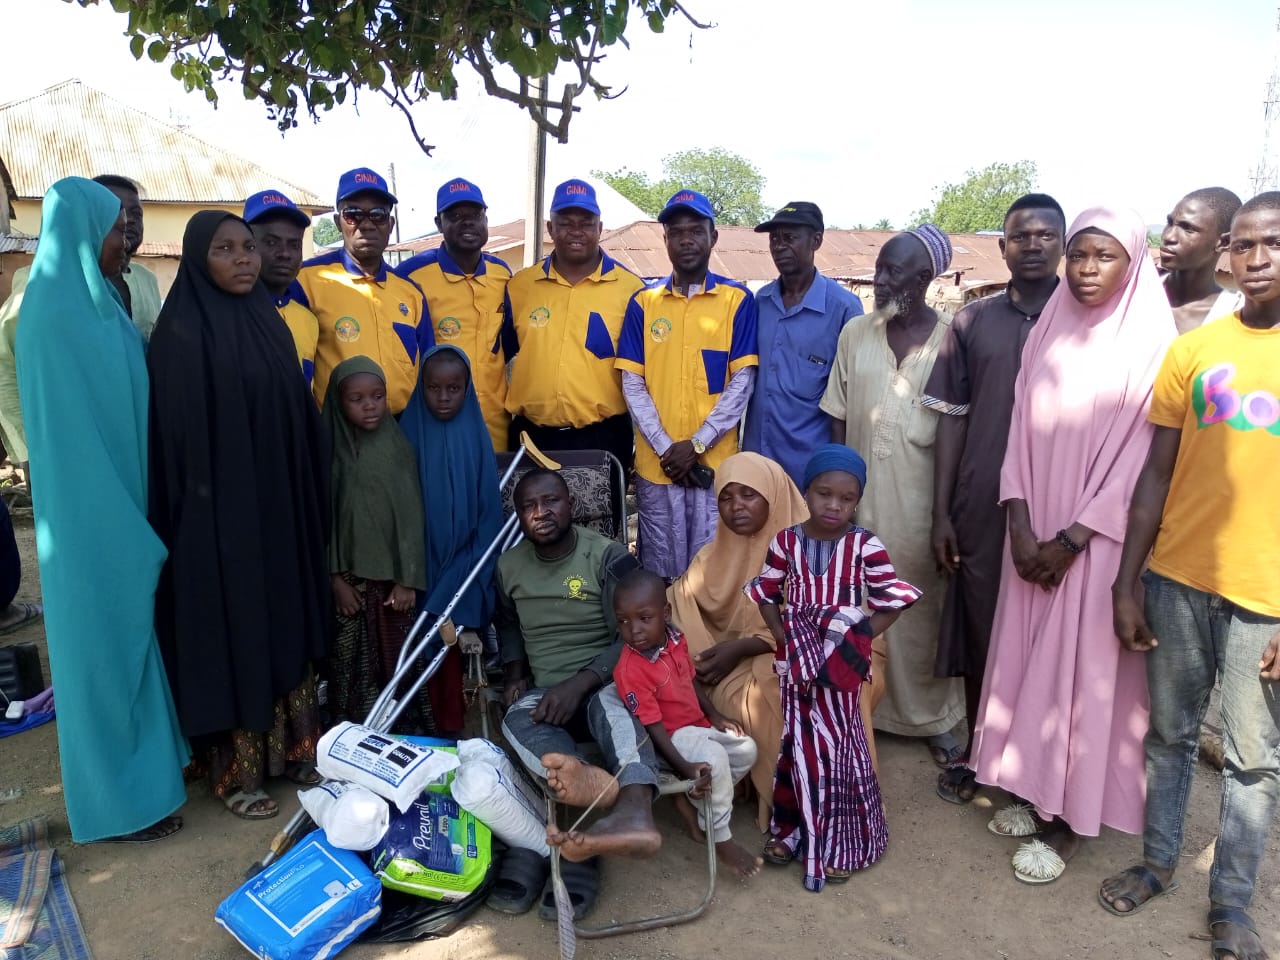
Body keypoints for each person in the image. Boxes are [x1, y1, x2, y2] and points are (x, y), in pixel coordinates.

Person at [969, 206, 1176, 884]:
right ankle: (1031, 786)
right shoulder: (1050, 328)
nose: (1086, 269)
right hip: (1033, 525)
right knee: (1030, 656)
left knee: (1080, 671)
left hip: (1099, 535)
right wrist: (1022, 522)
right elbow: (1020, 429)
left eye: (1103, 256)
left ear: (1133, 263)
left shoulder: (1152, 342)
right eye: (1080, 255)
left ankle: (1071, 822)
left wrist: (1073, 538)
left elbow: (1144, 461)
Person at [1099, 193, 1280, 960]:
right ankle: (1158, 861)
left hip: (1264, 601)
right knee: (1170, 737)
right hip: (1176, 577)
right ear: (1228, 257)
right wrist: (1127, 580)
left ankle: (1232, 903)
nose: (1257, 257)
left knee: (1250, 758)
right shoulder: (1193, 352)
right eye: (1243, 244)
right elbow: (1154, 475)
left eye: (1273, 242)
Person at [15, 176, 187, 842]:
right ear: (84, 233)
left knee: (132, 649)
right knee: (102, 659)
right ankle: (116, 806)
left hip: (126, 505)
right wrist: (119, 522)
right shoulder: (51, 318)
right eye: (117, 228)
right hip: (92, 524)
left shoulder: (102, 307)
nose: (126, 240)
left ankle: (147, 781)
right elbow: (68, 441)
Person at [149, 210, 330, 821]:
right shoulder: (179, 334)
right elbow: (176, 445)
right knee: (233, 624)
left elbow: (298, 419)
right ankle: (238, 774)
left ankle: (295, 750)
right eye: (225, 249)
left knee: (281, 614)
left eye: (248, 248)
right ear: (199, 257)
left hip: (277, 509)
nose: (244, 259)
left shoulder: (270, 325)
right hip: (217, 522)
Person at [923, 194, 1066, 804]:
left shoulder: (1085, 316)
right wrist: (941, 512)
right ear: (1001, 245)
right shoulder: (973, 322)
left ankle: (1043, 767)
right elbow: (951, 420)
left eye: (1044, 235)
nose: (1031, 245)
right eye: (1019, 235)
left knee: (1052, 630)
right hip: (981, 499)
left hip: (1061, 499)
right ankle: (984, 753)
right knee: (984, 624)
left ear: (1062, 242)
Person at [819, 223, 965, 764]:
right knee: (858, 606)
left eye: (892, 272)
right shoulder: (856, 333)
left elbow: (961, 431)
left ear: (925, 279)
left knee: (919, 609)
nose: (878, 281)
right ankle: (863, 711)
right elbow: (836, 415)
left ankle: (934, 721)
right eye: (878, 269)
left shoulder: (955, 337)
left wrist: (946, 514)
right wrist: (836, 495)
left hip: (922, 505)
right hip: (859, 504)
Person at [746, 444, 919, 892]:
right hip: (797, 663)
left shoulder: (866, 545)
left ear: (857, 500)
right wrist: (782, 636)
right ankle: (790, 832)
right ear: (806, 492)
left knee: (839, 750)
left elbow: (892, 601)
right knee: (798, 747)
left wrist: (856, 638)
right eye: (824, 494)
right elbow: (765, 591)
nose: (834, 505)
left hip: (841, 668)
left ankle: (843, 845)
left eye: (846, 498)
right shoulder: (785, 541)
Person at [497, 469, 659, 885]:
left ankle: (636, 808)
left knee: (617, 703)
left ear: (571, 504)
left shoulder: (607, 557)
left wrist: (583, 681)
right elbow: (509, 623)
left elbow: (636, 637)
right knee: (517, 717)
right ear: (518, 516)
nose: (541, 513)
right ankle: (581, 775)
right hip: (547, 690)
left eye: (550, 501)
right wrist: (515, 671)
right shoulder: (508, 566)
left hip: (605, 680)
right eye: (528, 507)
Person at [617, 189, 759, 579]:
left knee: (711, 570)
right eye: (676, 232)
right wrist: (667, 448)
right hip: (657, 466)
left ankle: (706, 642)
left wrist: (697, 445)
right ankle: (668, 642)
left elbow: (741, 383)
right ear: (664, 241)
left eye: (696, 230)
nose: (686, 240)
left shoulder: (737, 301)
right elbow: (633, 382)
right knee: (660, 570)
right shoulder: (643, 303)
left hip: (714, 468)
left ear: (713, 237)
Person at [667, 452, 808, 829]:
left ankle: (795, 806)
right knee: (721, 693)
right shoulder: (712, 555)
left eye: (748, 495)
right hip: (730, 659)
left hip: (801, 649)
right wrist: (702, 659)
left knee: (772, 694)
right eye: (726, 497)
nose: (736, 507)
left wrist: (743, 647)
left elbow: (813, 621)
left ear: (773, 497)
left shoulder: (805, 549)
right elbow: (680, 601)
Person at [0, 174, 161, 472]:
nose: (130, 222)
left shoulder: (147, 282)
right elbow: (5, 369)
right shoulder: (39, 288)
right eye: (117, 215)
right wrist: (29, 451)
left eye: (135, 213)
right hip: (71, 450)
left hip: (135, 441)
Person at [612, 568, 763, 879]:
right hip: (674, 737)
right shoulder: (630, 669)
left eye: (643, 617)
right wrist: (682, 766)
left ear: (665, 614)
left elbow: (690, 681)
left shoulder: (675, 640)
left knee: (747, 750)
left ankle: (697, 799)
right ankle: (721, 839)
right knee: (717, 761)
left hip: (698, 726)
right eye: (623, 621)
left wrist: (715, 717)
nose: (634, 630)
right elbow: (653, 727)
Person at [400, 344, 504, 735]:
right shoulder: (405, 435)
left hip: (467, 563)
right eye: (433, 388)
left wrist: (464, 566)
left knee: (457, 608)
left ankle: (450, 727)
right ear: (420, 388)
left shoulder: (476, 437)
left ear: (467, 389)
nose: (443, 398)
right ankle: (416, 727)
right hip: (416, 565)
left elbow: (488, 517)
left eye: (454, 388)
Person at [503, 179, 643, 469]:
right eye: (566, 222)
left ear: (600, 229)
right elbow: (500, 358)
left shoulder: (632, 290)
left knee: (602, 516)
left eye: (586, 223)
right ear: (551, 228)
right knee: (533, 516)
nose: (576, 231)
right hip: (531, 439)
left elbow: (644, 374)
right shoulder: (520, 287)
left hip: (604, 438)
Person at [323, 356, 427, 728]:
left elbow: (411, 518)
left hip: (393, 586)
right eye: (357, 398)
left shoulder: (398, 449)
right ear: (338, 402)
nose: (370, 405)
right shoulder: (328, 454)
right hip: (348, 583)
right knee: (347, 662)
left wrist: (407, 580)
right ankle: (349, 734)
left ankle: (400, 731)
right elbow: (325, 521)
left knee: (396, 657)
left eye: (378, 396)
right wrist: (334, 580)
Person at [743, 201, 864, 488]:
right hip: (757, 464)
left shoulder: (844, 309)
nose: (779, 247)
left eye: (789, 238)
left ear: (817, 240)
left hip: (809, 471)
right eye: (774, 239)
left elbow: (850, 399)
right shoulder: (759, 302)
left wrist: (838, 470)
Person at [295, 167, 432, 412]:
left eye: (378, 215)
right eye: (353, 214)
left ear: (390, 224)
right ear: (338, 222)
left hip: (403, 430)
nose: (366, 224)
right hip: (337, 434)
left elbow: (428, 370)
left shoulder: (411, 293)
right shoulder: (306, 282)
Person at [396, 178, 513, 451]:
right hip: (439, 424)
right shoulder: (410, 276)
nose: (467, 222)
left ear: (486, 219)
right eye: (455, 215)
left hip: (496, 424)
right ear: (439, 223)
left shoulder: (503, 274)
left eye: (475, 215)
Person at [243, 189, 320, 387]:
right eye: (271, 242)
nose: (285, 253)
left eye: (294, 244)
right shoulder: (228, 314)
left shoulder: (308, 320)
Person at [1159, 187, 1243, 334]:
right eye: (1170, 223)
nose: (1169, 237)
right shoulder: (1137, 295)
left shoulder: (1236, 314)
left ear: (1224, 242)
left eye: (1188, 229)